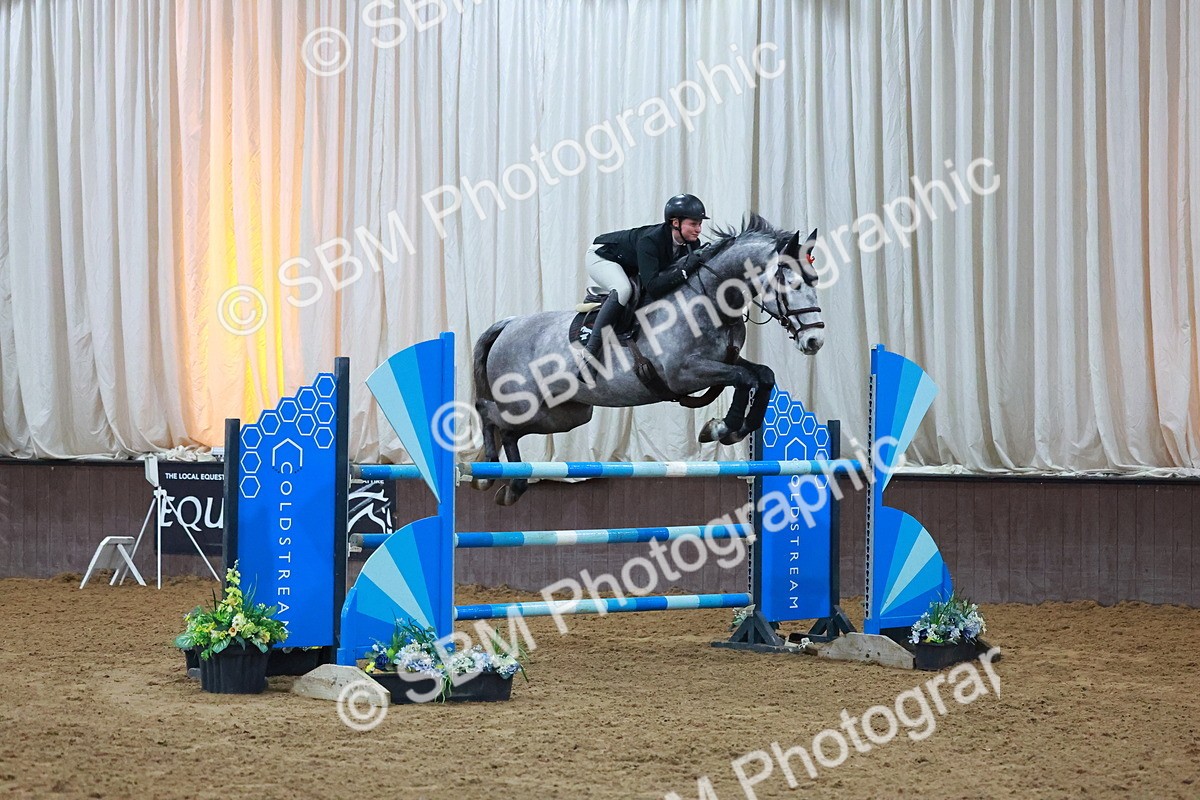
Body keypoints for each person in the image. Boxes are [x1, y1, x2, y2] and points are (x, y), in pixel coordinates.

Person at [583, 194, 709, 359]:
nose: (698, 229)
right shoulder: (650, 241)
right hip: (602, 256)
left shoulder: (693, 243)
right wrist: (684, 271)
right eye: (693, 224)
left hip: (630, 261)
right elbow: (654, 287)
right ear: (675, 223)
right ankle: (591, 350)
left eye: (700, 224)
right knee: (623, 289)